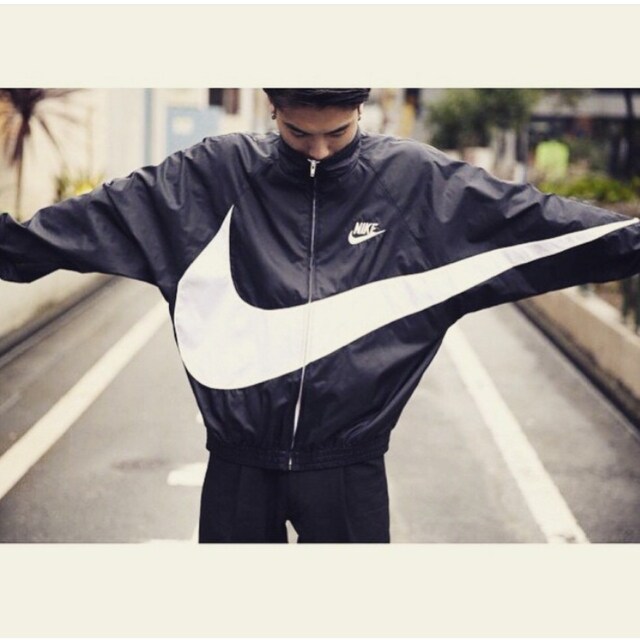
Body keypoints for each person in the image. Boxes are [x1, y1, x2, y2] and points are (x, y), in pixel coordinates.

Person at [1, 88, 640, 543]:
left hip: (350, 470)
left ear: (360, 111)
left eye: (337, 134)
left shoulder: (415, 185)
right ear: (272, 111)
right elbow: (89, 222)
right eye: (298, 133)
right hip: (238, 467)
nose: (319, 150)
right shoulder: (211, 177)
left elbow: (538, 223)